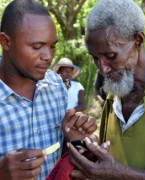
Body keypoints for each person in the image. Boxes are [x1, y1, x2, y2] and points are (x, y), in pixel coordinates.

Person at [68, 0, 145, 179]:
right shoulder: (114, 94)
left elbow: (117, 172)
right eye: (95, 59)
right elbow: (112, 164)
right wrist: (93, 153)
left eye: (111, 56)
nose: (103, 69)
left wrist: (122, 174)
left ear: (138, 40)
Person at [0, 0, 96, 179]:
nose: (48, 56)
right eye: (37, 47)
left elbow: (61, 153)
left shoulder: (56, 86)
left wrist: (75, 140)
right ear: (5, 42)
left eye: (52, 46)